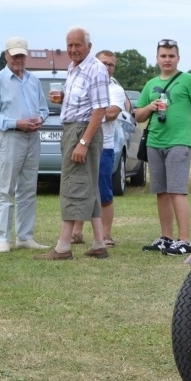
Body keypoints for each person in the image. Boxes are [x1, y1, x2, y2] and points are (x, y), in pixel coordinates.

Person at [134, 39, 191, 256]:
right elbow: (138, 115)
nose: (167, 60)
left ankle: (185, 240)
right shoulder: (150, 84)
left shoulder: (188, 79)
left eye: (171, 56)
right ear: (157, 58)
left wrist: (190, 130)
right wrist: (151, 107)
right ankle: (166, 237)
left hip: (178, 143)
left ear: (178, 58)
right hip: (154, 142)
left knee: (177, 191)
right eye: (163, 56)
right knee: (161, 191)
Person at [35, 26, 110, 260]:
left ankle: (63, 247)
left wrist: (83, 142)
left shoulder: (96, 69)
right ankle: (99, 243)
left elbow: (100, 110)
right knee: (87, 185)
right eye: (69, 45)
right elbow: (85, 102)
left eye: (78, 45)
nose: (73, 49)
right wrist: (64, 98)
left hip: (82, 131)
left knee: (71, 184)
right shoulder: (73, 68)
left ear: (89, 46)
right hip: (72, 129)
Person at [0, 36, 50, 252]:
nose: (18, 59)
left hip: (32, 138)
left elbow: (43, 108)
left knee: (29, 188)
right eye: (15, 55)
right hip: (11, 137)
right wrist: (16, 123)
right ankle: (3, 238)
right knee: (6, 188)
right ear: (6, 55)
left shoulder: (33, 80)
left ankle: (25, 236)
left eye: (22, 55)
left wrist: (40, 119)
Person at [71, 50, 127, 247]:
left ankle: (106, 235)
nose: (107, 67)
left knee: (103, 192)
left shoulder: (116, 90)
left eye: (111, 64)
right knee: (80, 188)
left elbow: (111, 113)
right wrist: (94, 111)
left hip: (105, 146)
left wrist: (92, 112)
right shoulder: (85, 83)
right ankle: (76, 232)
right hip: (82, 144)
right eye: (103, 63)